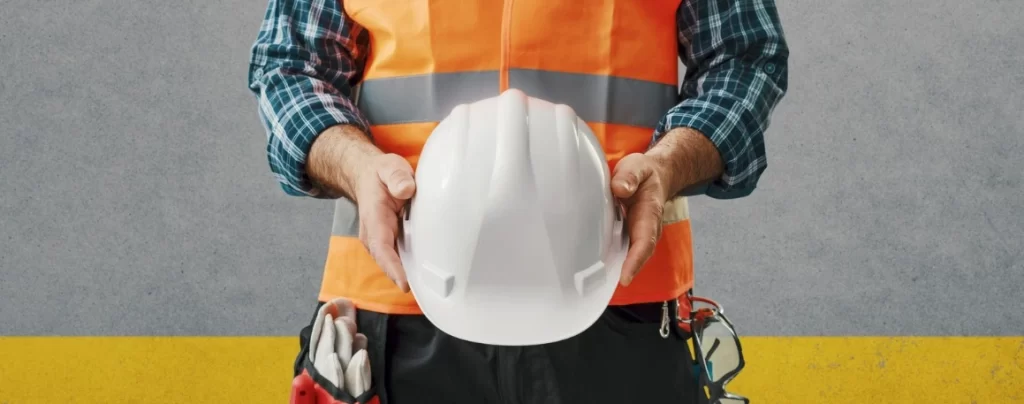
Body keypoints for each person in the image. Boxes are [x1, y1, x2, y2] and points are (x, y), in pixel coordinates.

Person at [247, 0, 788, 403]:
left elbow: (744, 57)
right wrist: (357, 166)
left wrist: (668, 165)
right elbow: (291, 64)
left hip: (619, 298)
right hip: (395, 307)